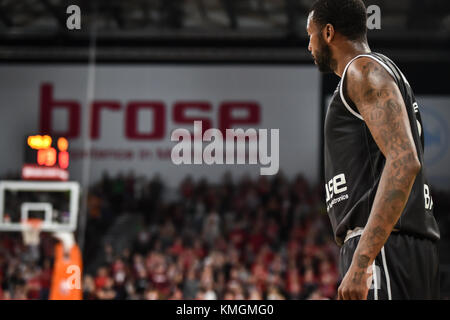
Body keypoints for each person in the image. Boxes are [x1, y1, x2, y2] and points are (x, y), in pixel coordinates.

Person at [306, 0, 440, 299]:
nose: (308, 45)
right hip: (395, 245)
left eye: (310, 34)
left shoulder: (363, 70)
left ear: (328, 32)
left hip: (384, 247)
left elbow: (405, 162)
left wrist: (363, 260)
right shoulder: (382, 71)